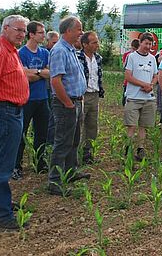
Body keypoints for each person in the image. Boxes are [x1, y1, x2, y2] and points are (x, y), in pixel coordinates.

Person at [0, 15, 30, 233]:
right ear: (5, 28)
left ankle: (1, 204)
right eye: (18, 30)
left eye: (24, 31)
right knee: (1, 167)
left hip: (12, 113)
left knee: (3, 163)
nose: (22, 34)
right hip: (3, 114)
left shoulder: (11, 51)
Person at [48, 16, 90, 196]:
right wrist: (67, 103)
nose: (81, 32)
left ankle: (71, 171)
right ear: (68, 31)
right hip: (66, 103)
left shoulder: (71, 49)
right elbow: (56, 81)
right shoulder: (59, 51)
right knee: (63, 141)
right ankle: (54, 180)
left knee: (74, 140)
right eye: (79, 29)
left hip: (76, 101)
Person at [13, 21, 51, 180]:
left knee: (42, 133)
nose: (44, 35)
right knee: (21, 134)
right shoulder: (21, 53)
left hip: (43, 98)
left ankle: (39, 161)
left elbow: (50, 73)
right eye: (41, 32)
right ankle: (16, 165)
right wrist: (40, 73)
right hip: (26, 99)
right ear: (32, 35)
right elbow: (23, 76)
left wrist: (35, 72)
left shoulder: (45, 53)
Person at [124, 32, 158, 161]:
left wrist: (151, 85)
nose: (148, 46)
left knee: (143, 126)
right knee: (131, 125)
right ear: (140, 42)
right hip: (134, 97)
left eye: (150, 44)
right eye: (146, 43)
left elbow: (156, 75)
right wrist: (143, 84)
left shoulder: (152, 58)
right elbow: (128, 76)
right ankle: (128, 149)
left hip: (148, 98)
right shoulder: (132, 57)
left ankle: (140, 149)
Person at [77, 31, 105, 164]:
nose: (97, 45)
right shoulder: (78, 57)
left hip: (94, 94)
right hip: (82, 95)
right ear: (85, 44)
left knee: (92, 125)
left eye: (97, 42)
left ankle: (88, 153)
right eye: (94, 42)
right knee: (78, 125)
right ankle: (76, 154)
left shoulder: (98, 58)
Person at [45, 30, 59, 145]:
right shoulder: (45, 53)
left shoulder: (58, 52)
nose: (55, 45)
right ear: (47, 41)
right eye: (53, 42)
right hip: (46, 88)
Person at [122, 39, 140, 106]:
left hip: (137, 82)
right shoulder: (127, 55)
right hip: (128, 82)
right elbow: (125, 67)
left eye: (135, 49)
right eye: (133, 49)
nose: (134, 51)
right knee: (126, 101)